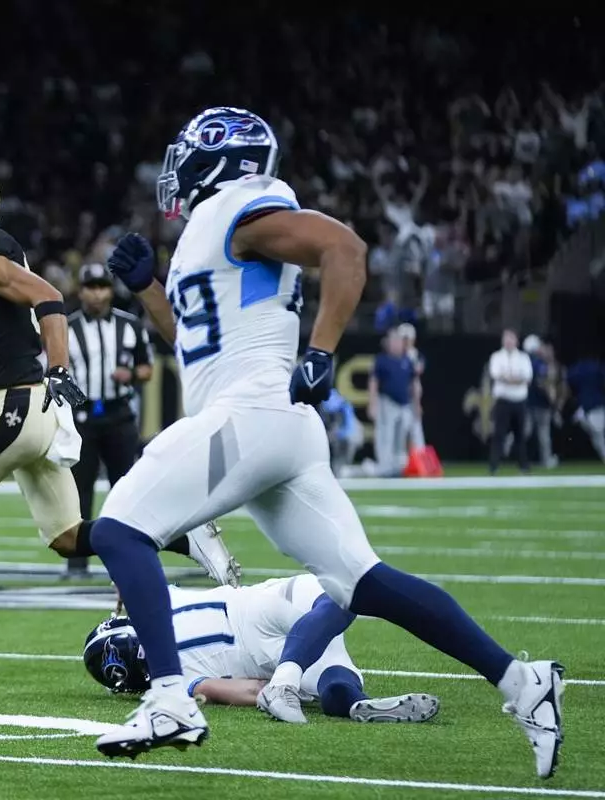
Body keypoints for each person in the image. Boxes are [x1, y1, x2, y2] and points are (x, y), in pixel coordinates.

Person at [88, 107, 563, 778]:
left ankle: (170, 698)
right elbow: (199, 349)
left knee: (119, 530)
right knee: (360, 581)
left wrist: (322, 350)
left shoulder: (242, 208)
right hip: (271, 424)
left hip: (255, 413)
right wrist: (150, 293)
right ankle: (523, 682)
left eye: (188, 154)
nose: (177, 168)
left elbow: (345, 249)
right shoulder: (217, 230)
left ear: (219, 161)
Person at [0, 164, 223, 665]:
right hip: (25, 404)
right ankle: (175, 535)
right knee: (69, 537)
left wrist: (61, 369)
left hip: (17, 407)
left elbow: (49, 296)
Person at [84, 574, 439, 724]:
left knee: (331, 681)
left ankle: (347, 701)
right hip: (254, 612)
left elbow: (245, 690)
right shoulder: (157, 602)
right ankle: (298, 680)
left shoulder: (176, 683)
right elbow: (131, 569)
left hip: (265, 662)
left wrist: (268, 687)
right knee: (342, 596)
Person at [368, 329, 417, 476]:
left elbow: (413, 383)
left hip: (405, 404)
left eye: (398, 341)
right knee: (386, 434)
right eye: (393, 341)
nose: (396, 344)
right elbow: (373, 382)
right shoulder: (382, 360)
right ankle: (385, 466)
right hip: (387, 402)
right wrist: (373, 403)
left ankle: (398, 466)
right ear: (388, 343)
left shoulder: (407, 360)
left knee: (401, 436)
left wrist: (416, 403)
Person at [488, 329, 533, 474]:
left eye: (511, 338)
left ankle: (524, 466)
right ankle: (494, 466)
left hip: (519, 400)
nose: (509, 341)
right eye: (506, 339)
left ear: (516, 341)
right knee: (499, 434)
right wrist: (514, 379)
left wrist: (509, 379)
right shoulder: (496, 357)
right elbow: (496, 375)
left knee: (520, 435)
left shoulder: (523, 358)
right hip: (503, 400)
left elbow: (527, 377)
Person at [523, 335, 559, 468]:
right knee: (543, 434)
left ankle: (522, 458)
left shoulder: (524, 361)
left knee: (525, 432)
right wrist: (551, 399)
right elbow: (543, 383)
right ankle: (546, 460)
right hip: (540, 404)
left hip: (527, 403)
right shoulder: (539, 363)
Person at [565, 355, 605, 461]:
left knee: (597, 434)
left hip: (586, 405)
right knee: (598, 433)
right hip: (594, 405)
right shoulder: (597, 367)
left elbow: (569, 383)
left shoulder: (576, 369)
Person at [398, 322, 426, 449]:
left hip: (412, 396)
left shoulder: (415, 355)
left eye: (407, 339)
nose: (405, 342)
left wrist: (417, 402)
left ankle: (420, 457)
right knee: (400, 430)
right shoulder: (395, 355)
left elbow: (418, 370)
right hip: (398, 398)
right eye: (403, 339)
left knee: (416, 429)